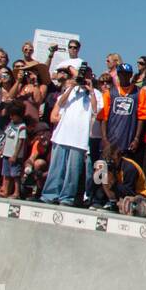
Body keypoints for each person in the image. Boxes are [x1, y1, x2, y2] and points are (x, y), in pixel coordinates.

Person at [40, 70, 103, 206]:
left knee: (72, 172)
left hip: (79, 138)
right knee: (56, 168)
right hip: (62, 135)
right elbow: (60, 104)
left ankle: (67, 197)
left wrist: (91, 91)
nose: (82, 79)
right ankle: (50, 194)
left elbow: (96, 110)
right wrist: (71, 88)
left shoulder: (96, 93)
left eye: (85, 76)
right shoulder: (70, 89)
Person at [0, 100, 29, 199]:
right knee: (6, 173)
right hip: (6, 153)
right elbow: (7, 137)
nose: (11, 117)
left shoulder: (22, 127)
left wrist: (15, 155)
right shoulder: (11, 124)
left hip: (15, 155)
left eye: (13, 115)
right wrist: (2, 149)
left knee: (15, 175)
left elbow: (20, 141)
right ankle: (5, 191)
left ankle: (16, 192)